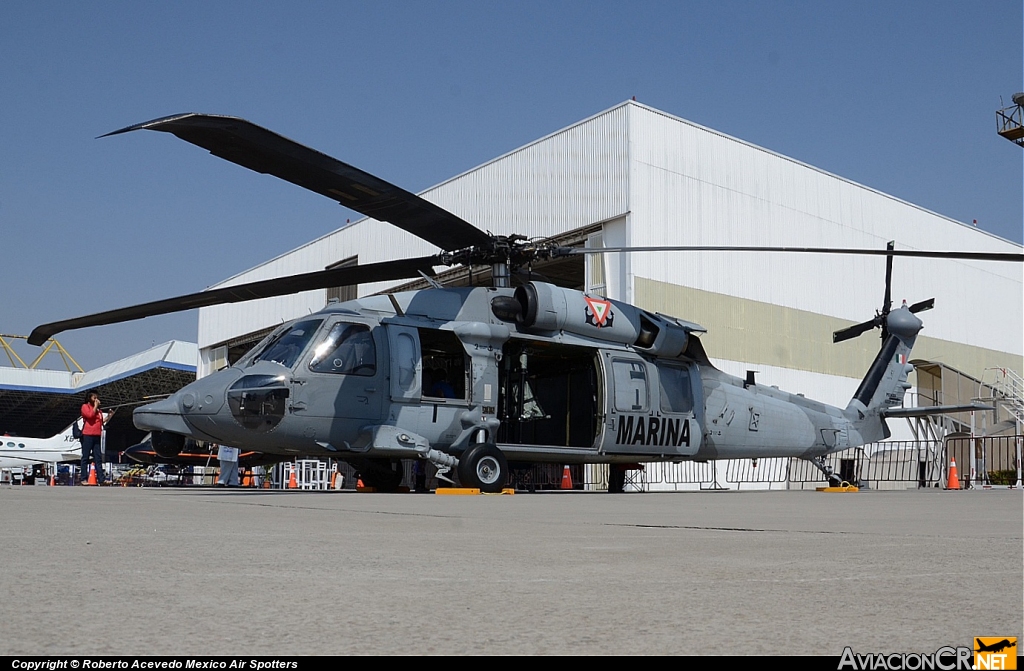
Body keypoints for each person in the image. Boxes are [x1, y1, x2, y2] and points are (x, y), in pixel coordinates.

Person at [80, 392, 113, 485]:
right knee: (85, 457)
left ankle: (101, 479)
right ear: (89, 398)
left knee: (98, 458)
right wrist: (95, 406)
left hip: (97, 435)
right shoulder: (85, 407)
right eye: (94, 398)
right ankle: (83, 478)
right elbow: (90, 415)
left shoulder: (98, 410)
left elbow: (101, 421)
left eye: (97, 398)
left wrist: (109, 416)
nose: (96, 399)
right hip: (88, 435)